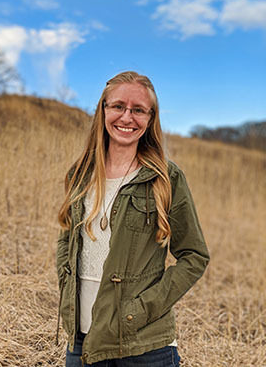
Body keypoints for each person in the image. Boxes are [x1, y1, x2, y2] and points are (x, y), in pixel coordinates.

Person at [56, 71, 210, 366]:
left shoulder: (165, 178)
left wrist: (140, 310)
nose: (127, 117)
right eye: (118, 107)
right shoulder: (80, 174)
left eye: (138, 110)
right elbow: (66, 241)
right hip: (82, 341)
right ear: (103, 110)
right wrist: (67, 296)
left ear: (151, 119)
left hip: (145, 347)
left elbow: (194, 256)